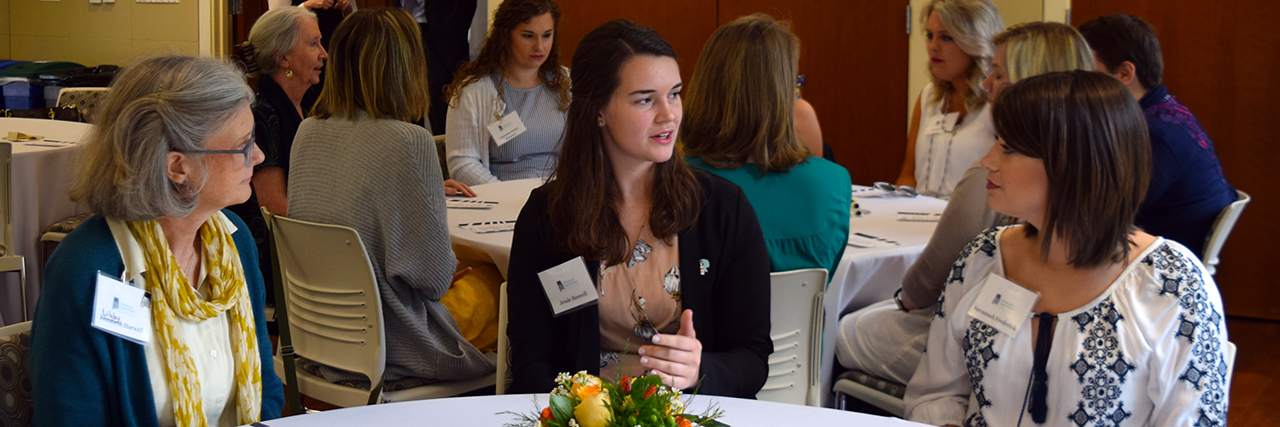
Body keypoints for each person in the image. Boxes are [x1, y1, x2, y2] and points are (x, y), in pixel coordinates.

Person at [904, 71, 1229, 426]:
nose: (988, 160)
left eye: (1008, 148)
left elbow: (1193, 420)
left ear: (1074, 164)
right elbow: (936, 393)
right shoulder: (982, 258)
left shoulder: (1172, 284)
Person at [506, 19, 772, 398]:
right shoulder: (549, 216)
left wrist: (700, 369)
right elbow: (533, 362)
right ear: (598, 109)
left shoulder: (721, 209)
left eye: (675, 94)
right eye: (645, 99)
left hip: (688, 416)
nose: (669, 115)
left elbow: (752, 358)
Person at [837, 22, 1096, 386]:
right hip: (1033, 355)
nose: (988, 83)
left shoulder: (993, 180)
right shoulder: (1097, 164)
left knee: (849, 328)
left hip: (1006, 359)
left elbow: (925, 286)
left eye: (999, 73)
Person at [30, 55, 283, 426]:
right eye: (243, 145)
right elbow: (71, 416)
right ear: (178, 167)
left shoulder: (234, 241)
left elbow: (266, 388)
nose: (258, 156)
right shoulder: (87, 269)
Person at [288, 8, 494, 385]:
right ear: (406, 67)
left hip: (321, 331)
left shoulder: (306, 132)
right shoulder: (408, 141)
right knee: (505, 283)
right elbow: (432, 279)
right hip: (397, 339)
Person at [682, 13, 850, 277]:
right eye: (794, 84)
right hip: (802, 318)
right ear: (780, 95)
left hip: (704, 319)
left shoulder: (677, 183)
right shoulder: (833, 181)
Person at [1078, 14, 1236, 257]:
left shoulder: (1152, 134)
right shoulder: (1165, 110)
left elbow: (1100, 218)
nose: (1076, 81)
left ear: (1123, 73)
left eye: (1084, 69)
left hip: (1158, 263)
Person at [227, 6, 327, 299]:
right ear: (283, 57)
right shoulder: (262, 114)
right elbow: (276, 209)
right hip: (274, 254)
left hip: (305, 240)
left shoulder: (310, 105)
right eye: (313, 44)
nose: (324, 53)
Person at [444, 0, 570, 186]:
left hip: (560, 199)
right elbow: (462, 163)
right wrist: (504, 196)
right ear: (505, 36)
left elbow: (587, 150)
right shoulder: (473, 91)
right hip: (502, 201)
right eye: (528, 36)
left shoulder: (566, 83)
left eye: (546, 35)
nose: (539, 47)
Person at [894, 0, 1003, 198]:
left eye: (946, 37)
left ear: (975, 41)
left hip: (972, 221)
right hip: (917, 217)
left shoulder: (998, 102)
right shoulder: (928, 97)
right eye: (929, 36)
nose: (933, 47)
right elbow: (908, 175)